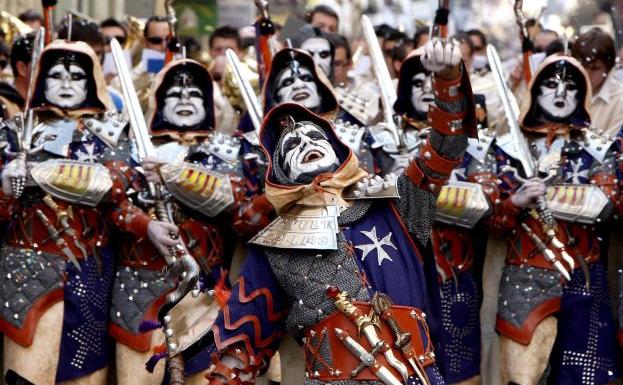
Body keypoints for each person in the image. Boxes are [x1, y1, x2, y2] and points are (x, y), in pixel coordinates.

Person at [204, 36, 475, 385]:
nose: (305, 142)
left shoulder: (395, 203)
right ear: (281, 173)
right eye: (292, 146)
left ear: (339, 150)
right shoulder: (275, 243)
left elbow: (446, 148)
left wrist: (449, 81)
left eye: (316, 137)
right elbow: (243, 340)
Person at [0, 39, 175, 385]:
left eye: (76, 76)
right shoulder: (14, 132)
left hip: (90, 271)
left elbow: (119, 198)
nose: (66, 84)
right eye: (57, 75)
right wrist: (7, 186)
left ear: (92, 81)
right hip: (26, 270)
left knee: (86, 373)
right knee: (24, 372)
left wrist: (147, 226)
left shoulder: (112, 134)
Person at [490, 54, 620, 385]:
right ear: (536, 91)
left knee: (586, 379)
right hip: (525, 278)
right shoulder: (506, 149)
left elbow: (609, 205)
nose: (560, 92)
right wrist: (515, 201)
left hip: (584, 277)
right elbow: (492, 221)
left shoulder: (598, 150)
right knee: (520, 379)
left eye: (570, 86)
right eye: (550, 84)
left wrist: (552, 195)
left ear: (582, 95)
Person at [571, 27, 623, 137]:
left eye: (595, 68)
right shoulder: (566, 92)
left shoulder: (620, 100)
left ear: (608, 68)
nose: (587, 74)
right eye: (583, 66)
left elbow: (611, 149)